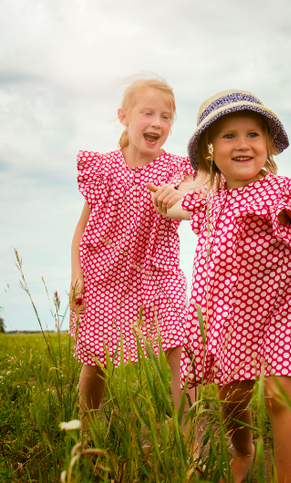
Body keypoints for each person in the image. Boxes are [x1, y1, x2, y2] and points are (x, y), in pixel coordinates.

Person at [148, 90, 291, 483]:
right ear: (210, 150)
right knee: (232, 398)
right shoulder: (208, 199)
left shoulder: (283, 191)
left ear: (268, 143)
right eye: (229, 136)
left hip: (288, 307)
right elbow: (172, 207)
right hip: (231, 315)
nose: (242, 144)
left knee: (278, 398)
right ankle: (244, 451)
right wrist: (164, 196)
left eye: (252, 134)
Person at [70, 76, 192, 430]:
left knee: (178, 352)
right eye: (148, 113)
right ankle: (88, 438)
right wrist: (77, 274)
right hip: (104, 278)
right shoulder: (104, 168)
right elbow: (81, 230)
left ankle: (190, 443)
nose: (157, 122)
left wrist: (177, 200)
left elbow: (191, 206)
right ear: (124, 116)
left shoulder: (177, 170)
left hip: (159, 276)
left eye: (166, 116)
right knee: (96, 360)